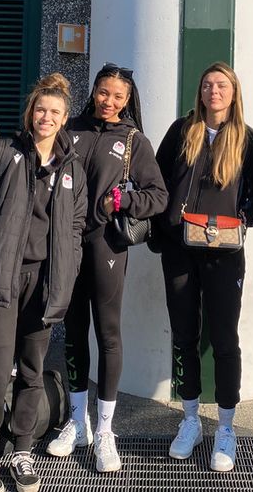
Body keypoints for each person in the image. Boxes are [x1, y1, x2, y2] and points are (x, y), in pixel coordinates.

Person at [0, 73, 87, 492]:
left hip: (44, 284)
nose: (46, 117)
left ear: (64, 118)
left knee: (31, 371)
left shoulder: (72, 167)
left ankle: (23, 451)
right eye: (40, 110)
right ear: (30, 113)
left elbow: (76, 227)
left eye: (55, 112)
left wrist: (68, 269)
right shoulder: (1, 152)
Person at [46, 63, 167, 472]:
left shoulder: (133, 140)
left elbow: (158, 196)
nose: (108, 101)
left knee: (108, 333)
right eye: (103, 92)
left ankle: (104, 430)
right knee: (73, 331)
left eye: (117, 96)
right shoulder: (70, 130)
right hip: (66, 244)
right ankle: (76, 422)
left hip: (106, 246)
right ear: (93, 90)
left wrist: (123, 201)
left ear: (128, 100)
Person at [154, 61, 253, 473]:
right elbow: (157, 181)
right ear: (200, 92)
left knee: (224, 338)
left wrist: (245, 215)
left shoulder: (248, 139)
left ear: (234, 93)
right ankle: (189, 419)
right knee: (184, 334)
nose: (213, 91)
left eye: (221, 85)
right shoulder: (181, 131)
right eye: (207, 85)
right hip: (180, 249)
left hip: (224, 251)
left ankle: (225, 427)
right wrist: (161, 228)